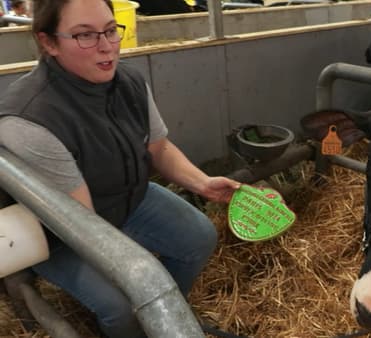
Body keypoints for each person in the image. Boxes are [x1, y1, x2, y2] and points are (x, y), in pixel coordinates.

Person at [0, 0, 241, 337]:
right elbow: (84, 225)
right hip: (62, 233)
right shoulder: (31, 119)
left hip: (125, 195)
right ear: (48, 42)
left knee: (198, 237)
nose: (107, 46)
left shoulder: (127, 80)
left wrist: (202, 183)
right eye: (85, 35)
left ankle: (166, 320)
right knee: (122, 304)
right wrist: (143, 277)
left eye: (111, 31)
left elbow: (158, 147)